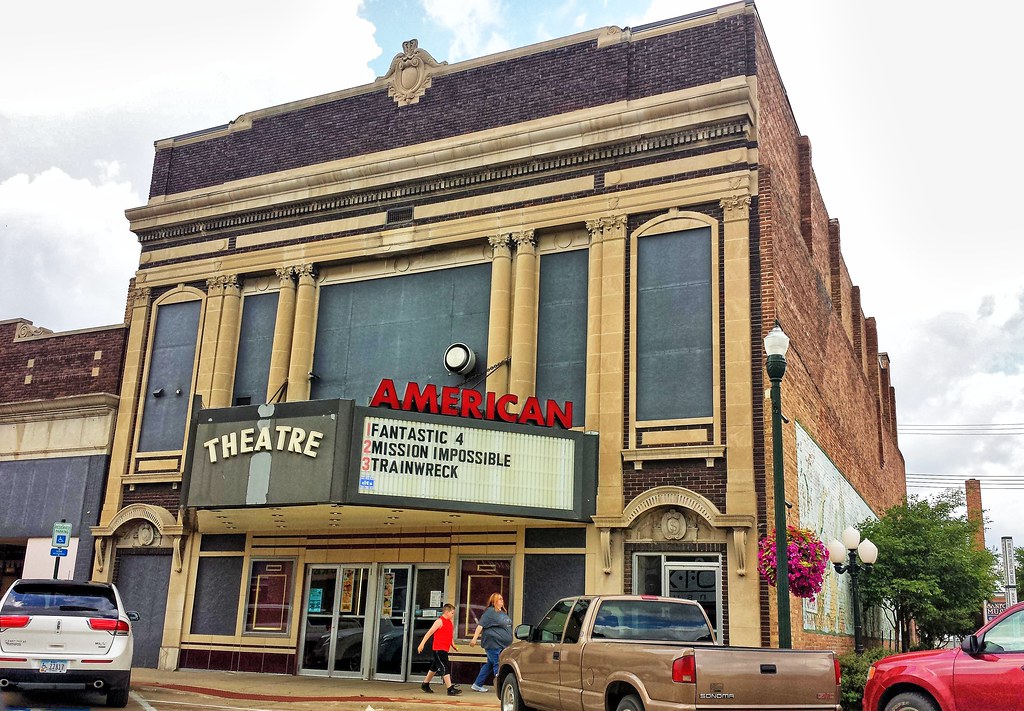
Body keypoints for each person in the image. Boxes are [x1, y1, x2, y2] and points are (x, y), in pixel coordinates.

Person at [468, 592, 512, 692]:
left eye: (502, 598)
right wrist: (474, 638)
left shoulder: (502, 612)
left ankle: (477, 684)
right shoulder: (490, 612)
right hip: (493, 644)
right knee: (497, 663)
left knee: (489, 665)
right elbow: (480, 625)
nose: (502, 600)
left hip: (502, 645)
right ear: (494, 601)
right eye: (499, 599)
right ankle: (500, 688)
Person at [417, 603, 462, 695]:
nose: (453, 615)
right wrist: (422, 643)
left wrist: (453, 645)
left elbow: (450, 636)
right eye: (452, 613)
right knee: (445, 666)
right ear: (446, 612)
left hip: (445, 648)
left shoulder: (449, 622)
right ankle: (450, 688)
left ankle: (425, 684)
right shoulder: (439, 621)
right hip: (439, 649)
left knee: (434, 667)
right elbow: (430, 632)